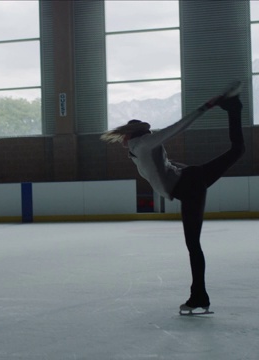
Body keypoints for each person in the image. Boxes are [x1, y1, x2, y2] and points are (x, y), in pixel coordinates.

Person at [100, 82, 245, 314]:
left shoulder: (144, 144)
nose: (122, 139)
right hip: (189, 180)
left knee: (193, 245)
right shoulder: (137, 150)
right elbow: (166, 167)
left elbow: (178, 127)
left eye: (125, 134)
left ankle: (199, 297)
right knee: (237, 151)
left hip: (189, 186)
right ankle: (234, 107)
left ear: (130, 136)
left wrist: (204, 107)